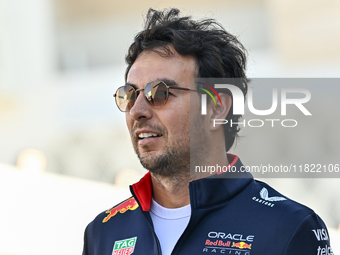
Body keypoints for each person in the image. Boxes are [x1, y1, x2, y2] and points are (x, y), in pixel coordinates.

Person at [82, 8, 333, 255]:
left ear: (216, 108)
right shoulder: (104, 232)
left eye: (159, 93)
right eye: (129, 95)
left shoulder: (289, 228)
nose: (137, 110)